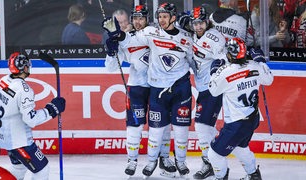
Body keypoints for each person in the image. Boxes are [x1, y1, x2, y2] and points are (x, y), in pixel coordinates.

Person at [103, 2, 194, 178]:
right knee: (135, 125)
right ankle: (132, 160)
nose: (137, 22)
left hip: (156, 86)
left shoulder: (154, 32)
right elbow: (111, 67)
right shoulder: (128, 38)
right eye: (135, 18)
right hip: (137, 87)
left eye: (141, 18)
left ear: (147, 19)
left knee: (163, 126)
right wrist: (110, 51)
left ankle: (164, 158)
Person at [0, 52, 66, 179]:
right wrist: (52, 110)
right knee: (42, 170)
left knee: (19, 168)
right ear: (24, 67)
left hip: (5, 139)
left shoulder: (3, 81)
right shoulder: (24, 90)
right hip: (20, 142)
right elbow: (31, 120)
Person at [207, 37, 274, 180]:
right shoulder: (254, 66)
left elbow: (213, 90)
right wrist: (261, 61)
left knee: (214, 154)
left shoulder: (226, 72)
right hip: (252, 119)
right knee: (240, 147)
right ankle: (253, 175)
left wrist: (213, 71)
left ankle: (221, 177)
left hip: (236, 123)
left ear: (230, 54)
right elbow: (268, 80)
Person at [178, 6, 228, 180]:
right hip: (202, 88)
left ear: (208, 22)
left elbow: (225, 59)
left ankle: (209, 163)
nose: (198, 26)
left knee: (201, 126)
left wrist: (217, 71)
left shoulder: (215, 38)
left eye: (201, 23)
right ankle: (216, 163)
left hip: (213, 89)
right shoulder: (191, 34)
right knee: (207, 128)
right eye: (195, 23)